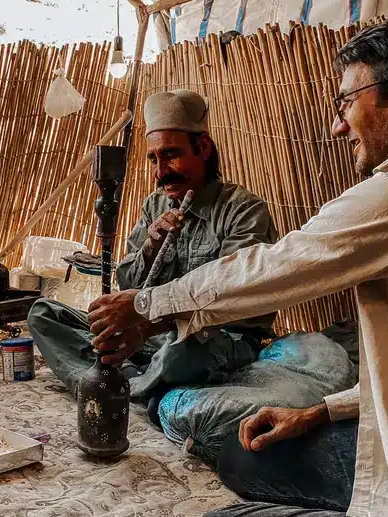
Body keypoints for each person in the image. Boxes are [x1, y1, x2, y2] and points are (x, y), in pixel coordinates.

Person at [86, 12, 388, 517]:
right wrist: (322, 411)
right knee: (249, 448)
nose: (337, 123)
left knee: (234, 486)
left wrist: (146, 305)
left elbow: (270, 269)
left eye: (347, 101)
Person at [27, 89, 279, 407]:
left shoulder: (243, 210)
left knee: (180, 350)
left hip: (214, 339)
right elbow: (128, 285)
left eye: (171, 154)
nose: (160, 172)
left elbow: (233, 296)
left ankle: (120, 382)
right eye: (154, 159)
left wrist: (151, 323)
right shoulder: (155, 204)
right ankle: (138, 380)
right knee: (45, 313)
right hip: (149, 337)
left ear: (202, 148)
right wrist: (150, 246)